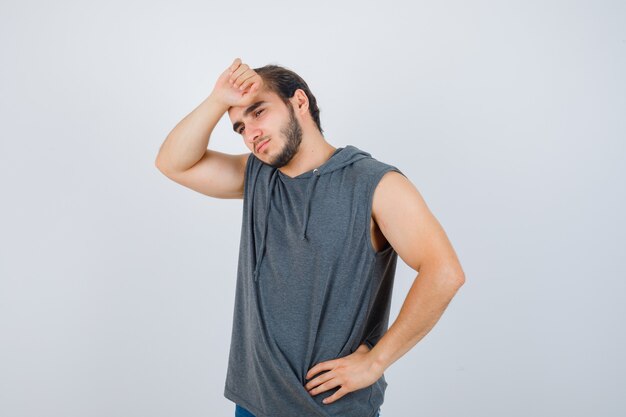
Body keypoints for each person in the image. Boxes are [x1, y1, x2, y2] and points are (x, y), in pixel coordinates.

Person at [155, 58, 465, 417]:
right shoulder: (256, 174)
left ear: (299, 102)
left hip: (331, 409)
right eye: (239, 127)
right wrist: (216, 100)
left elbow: (444, 271)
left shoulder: (375, 183)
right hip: (253, 403)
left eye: (258, 112)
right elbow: (173, 163)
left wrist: (375, 362)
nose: (250, 132)